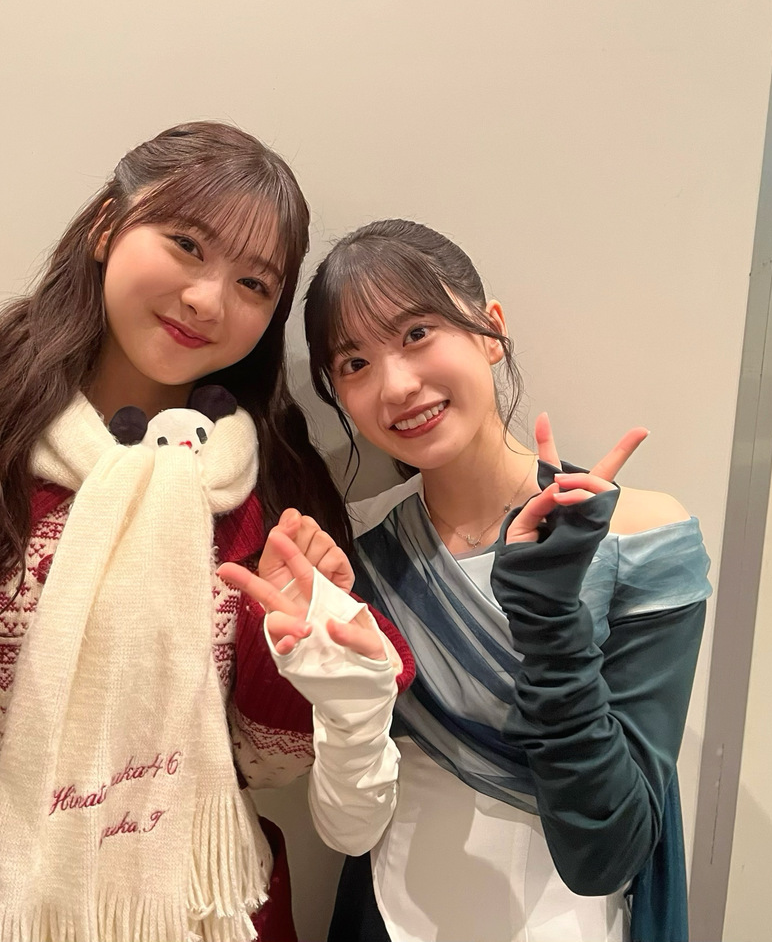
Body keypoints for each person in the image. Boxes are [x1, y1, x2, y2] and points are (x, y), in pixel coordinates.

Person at [0, 122, 412, 942]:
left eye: (253, 283)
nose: (208, 300)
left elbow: (268, 763)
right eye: (185, 244)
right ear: (106, 225)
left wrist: (292, 644)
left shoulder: (266, 479)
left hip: (199, 904)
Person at [301, 219, 713, 942]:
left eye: (418, 332)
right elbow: (350, 819)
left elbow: (608, 850)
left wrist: (551, 620)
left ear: (490, 331)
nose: (397, 385)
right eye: (355, 363)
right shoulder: (359, 552)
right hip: (391, 918)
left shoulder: (641, 534)